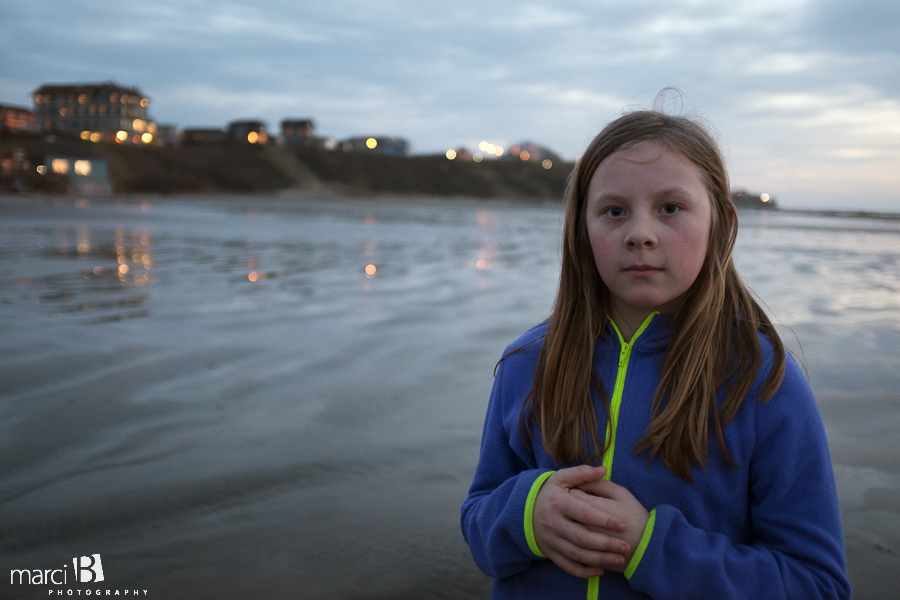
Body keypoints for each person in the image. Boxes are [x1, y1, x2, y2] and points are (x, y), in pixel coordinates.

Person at [460, 109, 851, 599]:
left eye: (670, 208)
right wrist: (525, 516)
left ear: (721, 224)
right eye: (615, 211)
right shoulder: (527, 362)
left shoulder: (762, 380)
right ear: (582, 227)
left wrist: (649, 546)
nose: (640, 233)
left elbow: (817, 585)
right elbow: (478, 525)